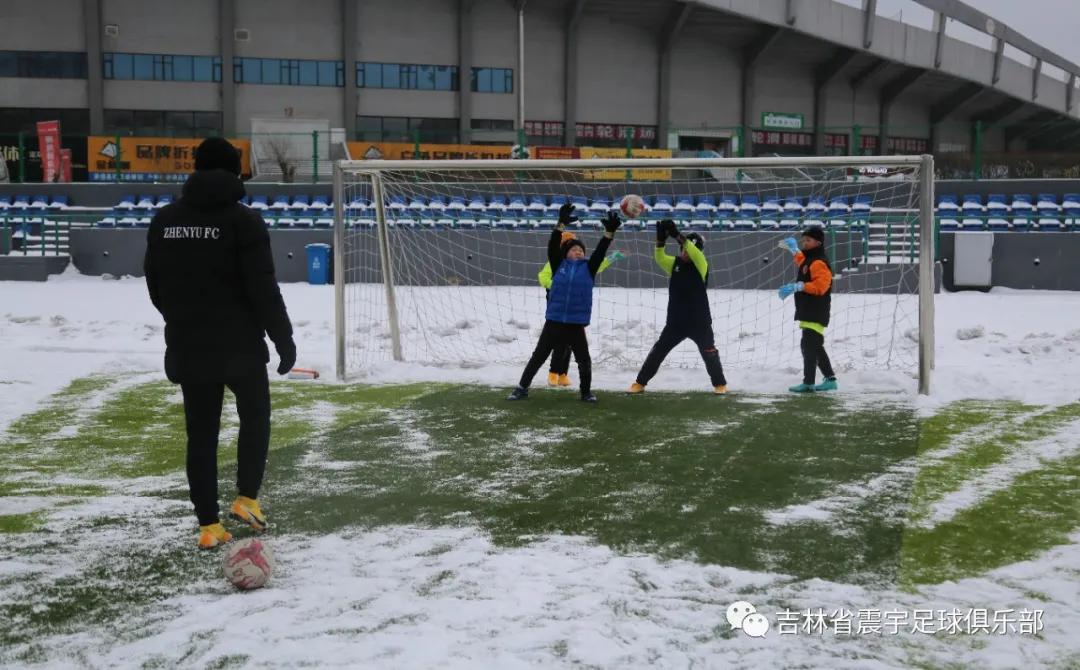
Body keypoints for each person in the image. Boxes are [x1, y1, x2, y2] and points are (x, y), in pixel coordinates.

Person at [144, 137, 296, 549]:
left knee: (201, 434)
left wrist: (181, 319)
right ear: (234, 171)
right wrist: (283, 338)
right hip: (239, 344)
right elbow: (262, 288)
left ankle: (208, 526)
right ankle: (246, 499)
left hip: (188, 343)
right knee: (255, 417)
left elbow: (155, 284)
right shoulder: (244, 221)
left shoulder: (164, 220)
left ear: (195, 169)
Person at [508, 203, 621, 402]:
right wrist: (560, 224)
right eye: (574, 249)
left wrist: (608, 233)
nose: (578, 252)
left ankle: (586, 393)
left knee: (584, 360)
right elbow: (552, 245)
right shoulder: (558, 265)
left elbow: (600, 251)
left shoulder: (589, 268)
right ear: (565, 253)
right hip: (554, 321)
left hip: (576, 323)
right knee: (538, 356)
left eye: (581, 250)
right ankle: (521, 388)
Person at [628, 219, 727, 395]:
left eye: (689, 250)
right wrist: (660, 241)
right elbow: (659, 257)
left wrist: (676, 234)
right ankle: (640, 383)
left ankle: (720, 385)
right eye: (683, 250)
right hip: (676, 322)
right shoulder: (675, 264)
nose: (686, 253)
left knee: (709, 353)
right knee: (658, 351)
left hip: (700, 322)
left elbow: (694, 252)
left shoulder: (701, 264)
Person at [537, 233, 625, 387]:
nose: (575, 249)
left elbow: (597, 265)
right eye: (571, 244)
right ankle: (553, 372)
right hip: (558, 304)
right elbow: (543, 276)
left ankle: (563, 373)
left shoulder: (581, 264)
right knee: (559, 340)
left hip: (574, 307)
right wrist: (556, 286)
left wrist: (612, 257)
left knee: (570, 342)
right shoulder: (555, 262)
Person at [777, 226, 838, 393]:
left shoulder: (819, 262)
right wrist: (794, 250)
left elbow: (821, 287)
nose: (804, 243)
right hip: (809, 310)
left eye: (808, 240)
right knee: (815, 346)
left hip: (816, 310)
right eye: (803, 240)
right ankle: (830, 380)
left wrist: (799, 286)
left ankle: (809, 382)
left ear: (818, 242)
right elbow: (803, 263)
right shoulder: (811, 259)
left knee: (808, 346)